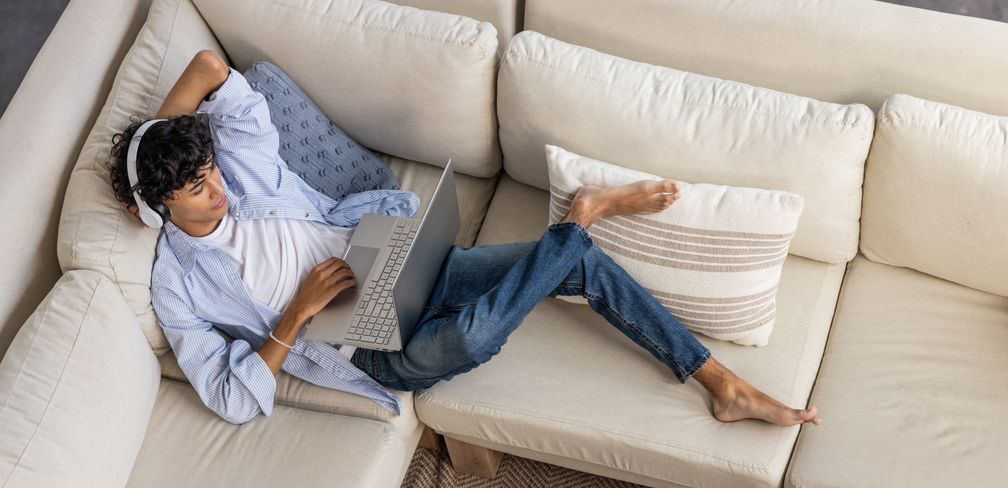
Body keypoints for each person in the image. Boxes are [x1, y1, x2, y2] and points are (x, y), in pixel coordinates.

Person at [108, 50, 821, 428]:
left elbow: (208, 69)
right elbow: (230, 398)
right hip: (361, 346)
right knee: (475, 337)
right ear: (162, 208)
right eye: (197, 188)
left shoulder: (240, 169)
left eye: (209, 170)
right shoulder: (178, 281)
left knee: (578, 271)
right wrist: (295, 316)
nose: (219, 188)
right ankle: (582, 219)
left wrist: (159, 147)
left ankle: (718, 382)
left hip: (393, 261)